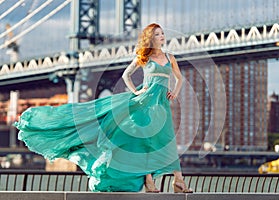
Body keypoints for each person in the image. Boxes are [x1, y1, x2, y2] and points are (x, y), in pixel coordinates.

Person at [14, 23, 192, 193]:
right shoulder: (144, 58)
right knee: (143, 141)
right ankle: (152, 180)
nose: (162, 36)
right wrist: (136, 92)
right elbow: (126, 75)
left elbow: (179, 78)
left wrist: (175, 92)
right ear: (150, 39)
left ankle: (177, 180)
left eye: (162, 33)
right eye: (157, 34)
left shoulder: (170, 57)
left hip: (161, 104)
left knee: (167, 139)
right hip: (143, 103)